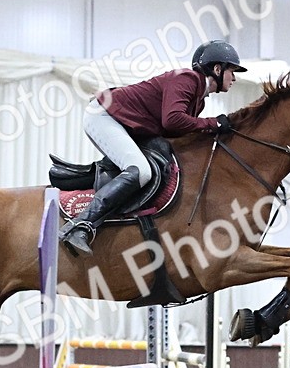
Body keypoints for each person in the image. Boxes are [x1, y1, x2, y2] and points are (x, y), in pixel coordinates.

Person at [58, 39, 247, 256]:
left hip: (125, 124)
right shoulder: (187, 79)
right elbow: (173, 121)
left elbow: (176, 132)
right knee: (141, 171)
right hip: (104, 115)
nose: (234, 77)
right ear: (217, 68)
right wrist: (213, 124)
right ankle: (78, 225)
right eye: (232, 70)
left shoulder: (199, 100)